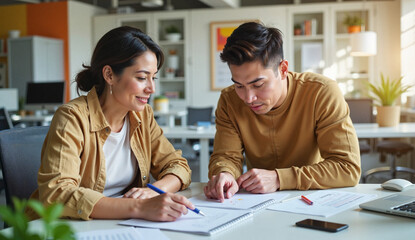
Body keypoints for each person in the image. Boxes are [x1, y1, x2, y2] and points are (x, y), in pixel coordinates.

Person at [26, 26, 195, 222]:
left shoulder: (143, 116)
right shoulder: (72, 117)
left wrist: (155, 191)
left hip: (117, 223)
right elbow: (58, 194)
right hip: (62, 227)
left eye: (153, 77)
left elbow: (177, 165)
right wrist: (138, 207)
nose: (151, 88)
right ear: (109, 75)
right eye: (141, 77)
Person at [204, 22, 361, 202]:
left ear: (283, 69)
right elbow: (226, 156)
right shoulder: (229, 100)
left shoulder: (322, 92)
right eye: (239, 85)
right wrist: (225, 174)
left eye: (258, 85)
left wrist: (279, 178)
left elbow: (347, 168)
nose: (248, 98)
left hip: (313, 200)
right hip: (257, 202)